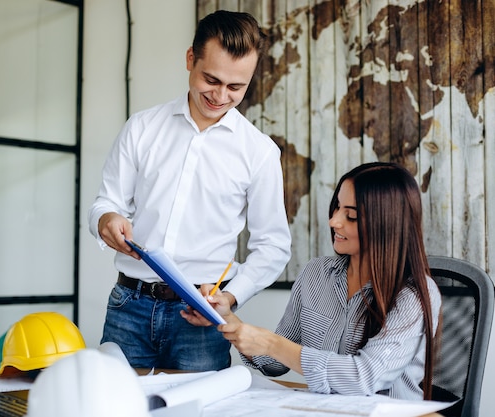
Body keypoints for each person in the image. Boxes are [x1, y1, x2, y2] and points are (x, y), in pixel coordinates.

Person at [88, 10, 292, 371]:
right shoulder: (142, 128)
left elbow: (273, 246)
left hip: (203, 316)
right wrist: (106, 218)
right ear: (190, 59)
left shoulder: (259, 152)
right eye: (211, 79)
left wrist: (229, 297)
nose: (220, 96)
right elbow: (106, 203)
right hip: (129, 307)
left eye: (236, 87)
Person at [186, 162, 441, 399]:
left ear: (387, 224)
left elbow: (364, 377)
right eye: (336, 208)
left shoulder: (415, 295)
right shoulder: (316, 273)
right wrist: (228, 318)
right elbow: (274, 363)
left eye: (350, 216)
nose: (334, 221)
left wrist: (272, 344)